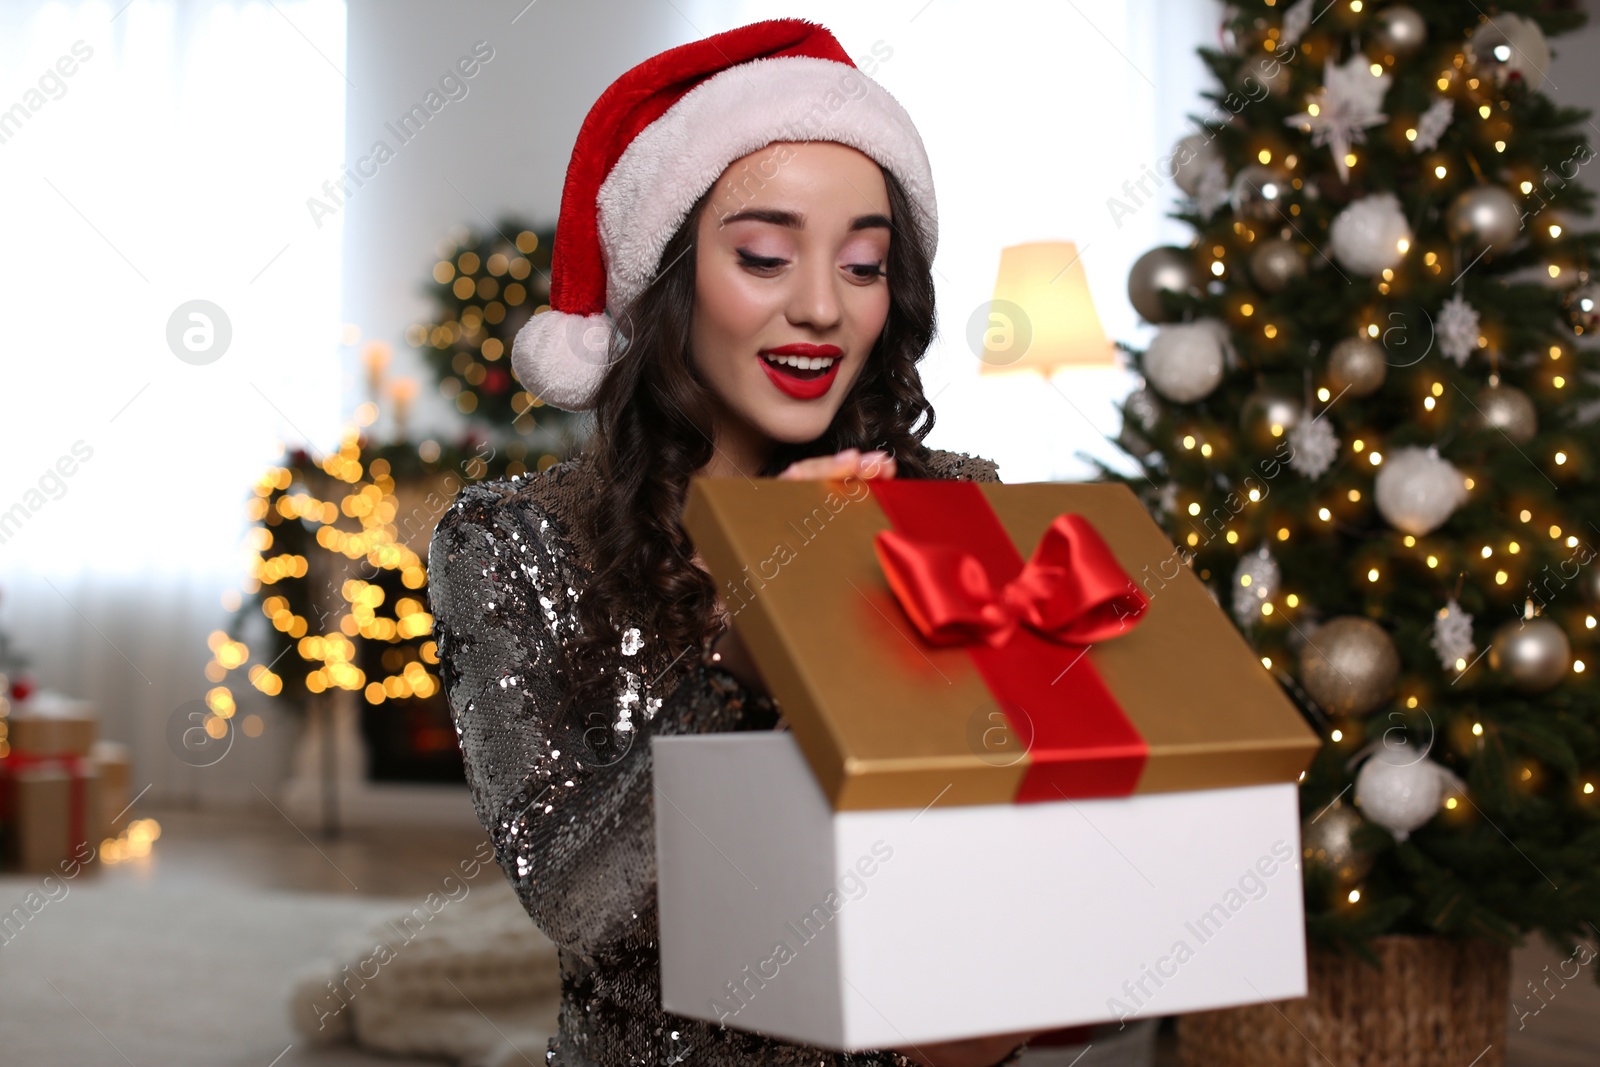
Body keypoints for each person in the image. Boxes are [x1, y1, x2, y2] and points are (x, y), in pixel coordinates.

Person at [427, 18, 1040, 1067]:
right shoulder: (514, 543)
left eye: (862, 264)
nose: (818, 306)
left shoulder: (956, 507)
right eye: (763, 254)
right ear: (668, 274)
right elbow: (576, 898)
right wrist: (739, 657)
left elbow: (1025, 865)